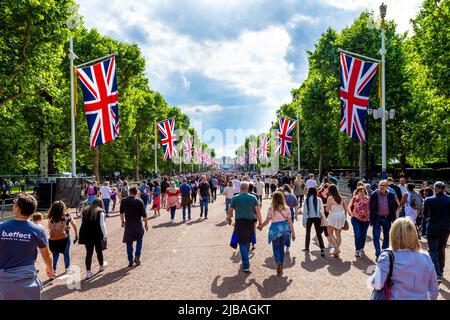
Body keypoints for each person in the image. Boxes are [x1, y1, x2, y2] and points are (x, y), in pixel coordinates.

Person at [0, 194, 54, 299]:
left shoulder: (1, 227)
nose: (13, 203)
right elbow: (47, 255)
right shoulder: (38, 230)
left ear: (18, 208)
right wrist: (49, 268)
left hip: (3, 282)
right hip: (27, 281)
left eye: (15, 202)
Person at [370, 218, 438, 300]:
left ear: (393, 234)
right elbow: (433, 289)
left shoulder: (387, 257)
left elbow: (377, 284)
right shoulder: (426, 257)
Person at [227, 182, 262, 273]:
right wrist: (260, 222)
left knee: (242, 242)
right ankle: (245, 260)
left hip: (240, 222)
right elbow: (258, 212)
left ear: (240, 188)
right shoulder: (253, 197)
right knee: (248, 241)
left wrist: (229, 219)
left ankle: (246, 264)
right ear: (247, 188)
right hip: (250, 222)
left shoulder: (235, 198)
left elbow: (230, 210)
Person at [258, 191, 296, 274]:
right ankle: (281, 265)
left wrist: (261, 226)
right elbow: (290, 222)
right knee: (281, 248)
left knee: (275, 248)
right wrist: (293, 233)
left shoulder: (271, 208)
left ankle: (278, 262)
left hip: (275, 230)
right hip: (285, 230)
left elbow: (267, 220)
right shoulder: (287, 208)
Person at [423, 181, 450, 284]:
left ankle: (437, 274)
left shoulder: (429, 200)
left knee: (433, 251)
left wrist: (429, 220)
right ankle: (441, 271)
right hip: (446, 228)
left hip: (433, 227)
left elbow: (425, 215)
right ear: (443, 189)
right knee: (441, 249)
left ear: (436, 188)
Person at [78, 198, 108, 279]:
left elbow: (82, 223)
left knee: (89, 253)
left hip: (86, 234)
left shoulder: (85, 211)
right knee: (99, 251)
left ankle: (88, 272)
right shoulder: (101, 212)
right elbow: (102, 225)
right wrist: (105, 235)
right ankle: (101, 266)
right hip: (97, 234)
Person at [369, 180, 399, 261]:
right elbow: (370, 207)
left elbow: (394, 205)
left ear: (387, 186)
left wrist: (392, 215)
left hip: (387, 218)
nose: (382, 187)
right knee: (376, 236)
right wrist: (371, 218)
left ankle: (384, 253)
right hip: (377, 218)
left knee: (386, 236)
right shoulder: (374, 194)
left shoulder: (391, 195)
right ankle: (378, 254)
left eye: (384, 185)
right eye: (380, 185)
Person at [120, 186, 148, 268]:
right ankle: (137, 257)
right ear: (136, 193)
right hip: (137, 223)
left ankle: (130, 260)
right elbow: (144, 215)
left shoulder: (124, 201)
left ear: (129, 192)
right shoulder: (140, 201)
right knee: (139, 240)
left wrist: (122, 222)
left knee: (129, 243)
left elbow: (121, 213)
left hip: (128, 224)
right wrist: (146, 224)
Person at [47, 201, 78, 275]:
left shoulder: (51, 216)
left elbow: (48, 227)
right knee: (66, 253)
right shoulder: (67, 215)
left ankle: (53, 270)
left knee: (55, 254)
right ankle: (67, 268)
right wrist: (76, 234)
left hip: (53, 239)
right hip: (64, 237)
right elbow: (74, 224)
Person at [326, 184, 347, 258]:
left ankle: (336, 248)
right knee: (338, 235)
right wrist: (345, 217)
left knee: (330, 233)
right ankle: (336, 252)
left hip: (333, 216)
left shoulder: (330, 198)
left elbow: (327, 209)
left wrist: (327, 206)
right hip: (341, 215)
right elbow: (346, 209)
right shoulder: (341, 197)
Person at [302, 188, 325, 256]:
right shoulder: (319, 199)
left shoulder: (307, 200)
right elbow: (322, 210)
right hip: (317, 218)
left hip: (309, 218)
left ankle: (307, 248)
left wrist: (304, 222)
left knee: (308, 233)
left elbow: (305, 212)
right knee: (318, 234)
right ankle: (322, 249)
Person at [348, 186, 370, 257]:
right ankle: (357, 250)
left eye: (363, 191)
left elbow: (372, 208)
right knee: (358, 234)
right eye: (360, 191)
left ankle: (361, 248)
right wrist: (351, 214)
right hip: (356, 219)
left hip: (366, 220)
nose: (362, 193)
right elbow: (349, 206)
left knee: (363, 235)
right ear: (357, 192)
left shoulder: (368, 199)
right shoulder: (354, 198)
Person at [317, 184, 333, 248]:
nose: (328, 190)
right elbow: (318, 205)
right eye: (328, 189)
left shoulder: (329, 195)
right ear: (324, 188)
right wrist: (327, 204)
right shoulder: (319, 194)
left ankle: (319, 238)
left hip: (327, 213)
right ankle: (329, 242)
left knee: (323, 227)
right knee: (325, 227)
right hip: (321, 213)